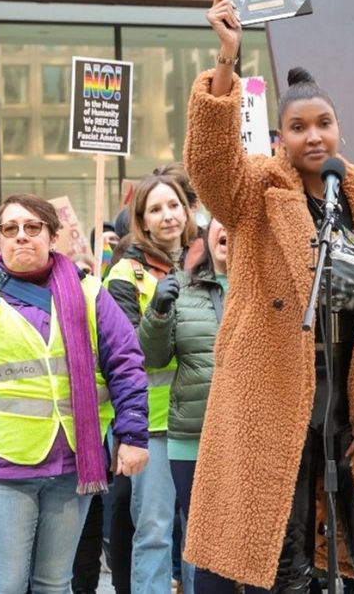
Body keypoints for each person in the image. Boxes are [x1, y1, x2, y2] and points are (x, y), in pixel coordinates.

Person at [181, 0, 354, 592]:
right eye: (298, 127)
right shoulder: (258, 190)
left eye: (324, 124)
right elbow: (211, 169)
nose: (313, 137)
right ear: (280, 137)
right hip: (276, 393)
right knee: (283, 552)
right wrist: (226, 62)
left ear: (339, 129)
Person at [0, 193, 150, 594]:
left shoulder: (90, 294)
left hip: (73, 466)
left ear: (53, 237)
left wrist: (133, 434)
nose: (22, 237)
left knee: (54, 585)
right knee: (7, 586)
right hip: (6, 468)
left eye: (33, 228)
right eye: (10, 229)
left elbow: (126, 363)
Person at [137, 218, 245, 593]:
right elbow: (152, 357)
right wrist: (158, 313)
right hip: (193, 439)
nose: (228, 225)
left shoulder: (269, 286)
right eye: (220, 218)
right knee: (210, 550)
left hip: (254, 440)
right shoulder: (182, 287)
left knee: (257, 549)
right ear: (207, 232)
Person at [104, 173, 196, 594]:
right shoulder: (125, 273)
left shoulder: (210, 258)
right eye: (155, 209)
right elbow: (124, 355)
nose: (167, 216)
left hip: (203, 419)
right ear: (141, 219)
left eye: (173, 206)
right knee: (155, 530)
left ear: (187, 209)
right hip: (152, 422)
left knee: (201, 536)